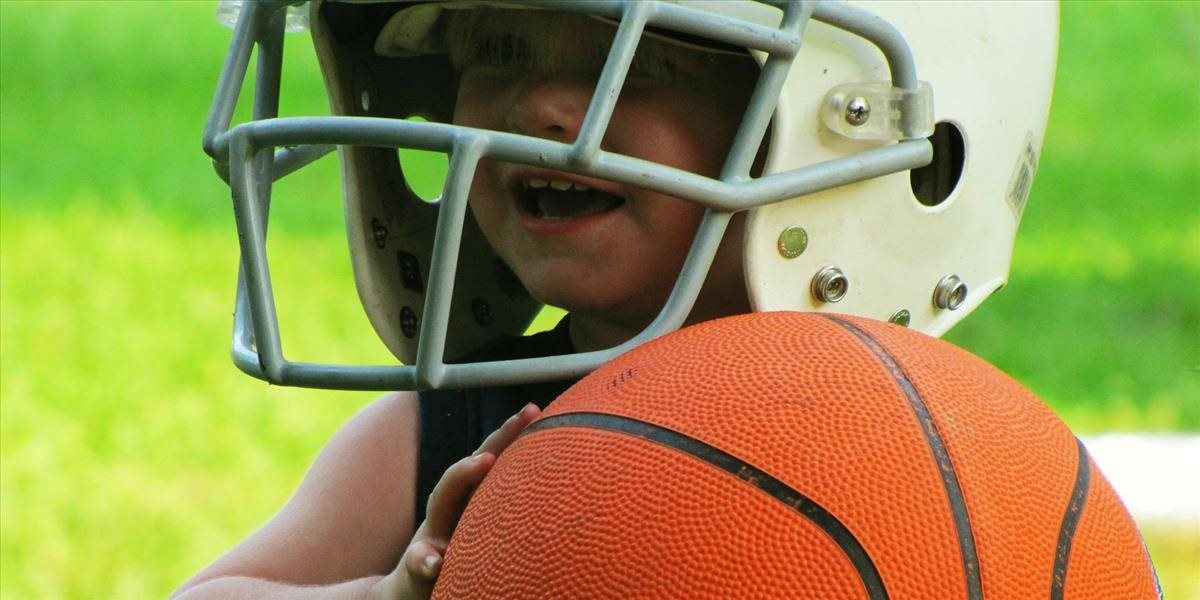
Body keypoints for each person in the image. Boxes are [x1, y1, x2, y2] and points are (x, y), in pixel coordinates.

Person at [176, 1, 1057, 598]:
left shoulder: (954, 463)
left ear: (856, 120)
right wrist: (384, 592)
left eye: (635, 63)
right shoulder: (449, 430)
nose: (541, 108)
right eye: (499, 49)